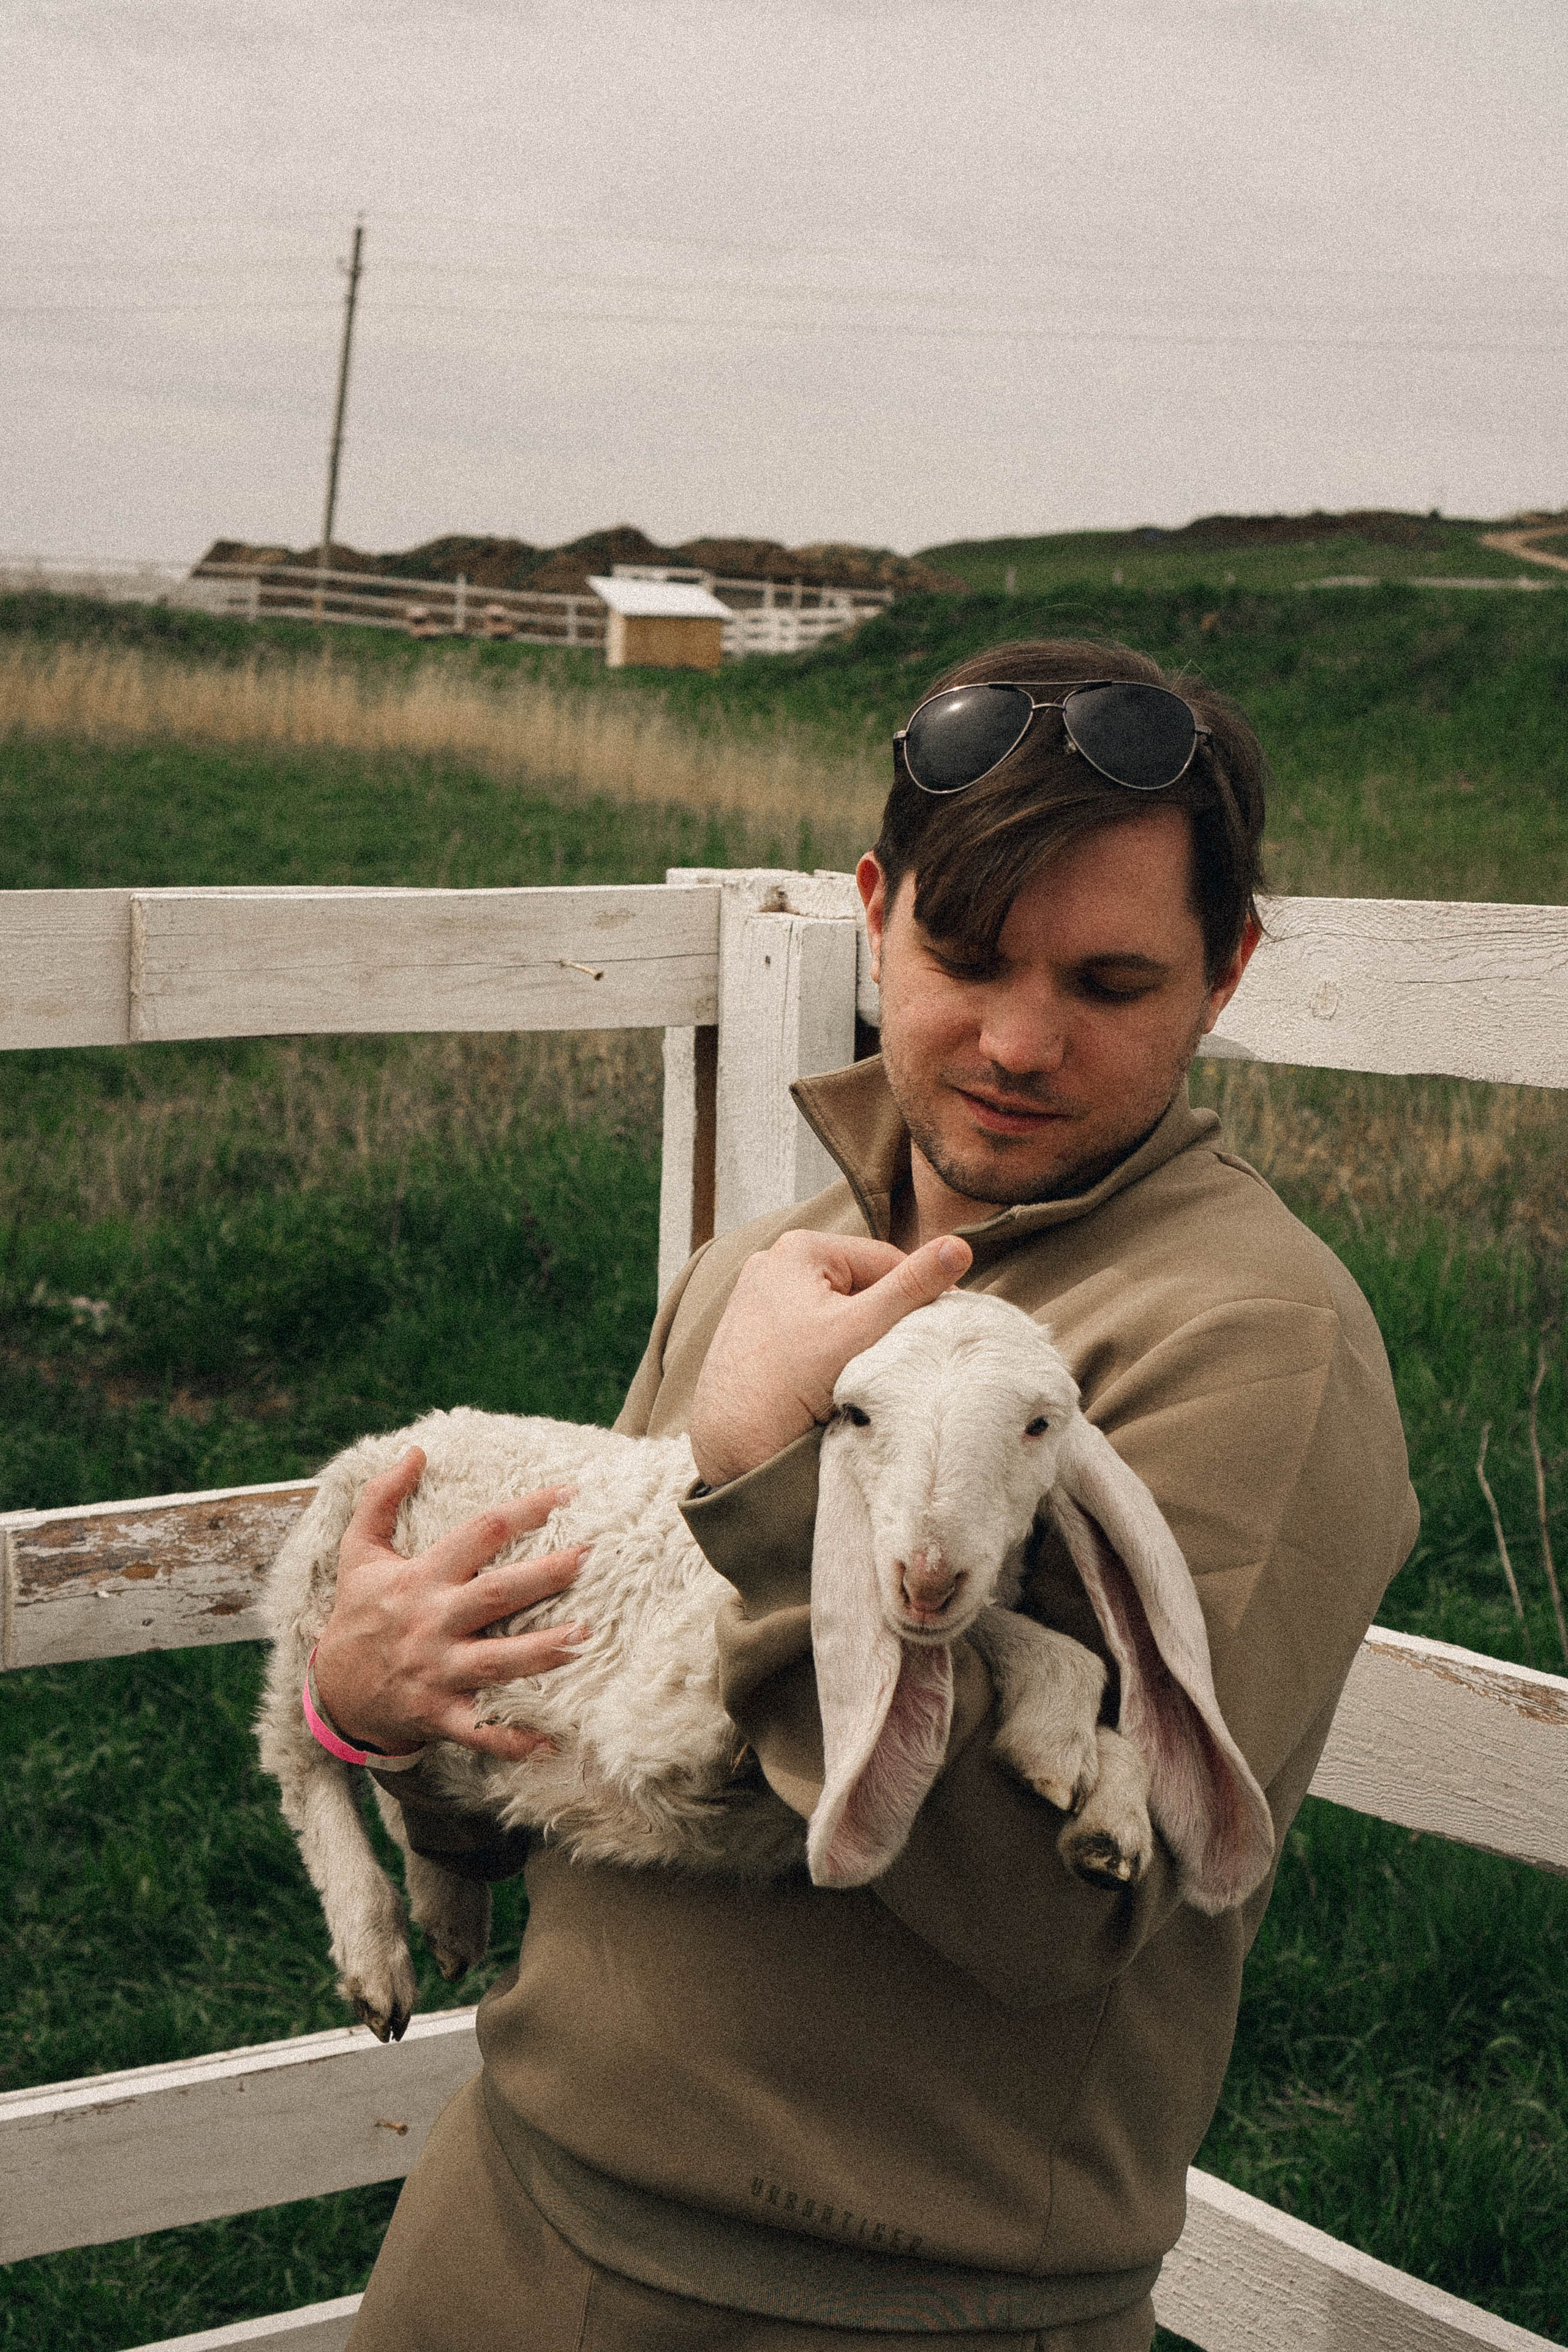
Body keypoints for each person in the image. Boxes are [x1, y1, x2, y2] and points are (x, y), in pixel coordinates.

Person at [315, 637, 1419, 2352]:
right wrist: (384, 1716)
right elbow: (581, 1745)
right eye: (963, 955)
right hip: (503, 2212)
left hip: (883, 2309)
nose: (1020, 1041)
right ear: (875, 914)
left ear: (1227, 974)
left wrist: (770, 1477)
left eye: (1112, 983)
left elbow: (1056, 1912)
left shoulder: (1253, 1344)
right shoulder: (761, 1272)